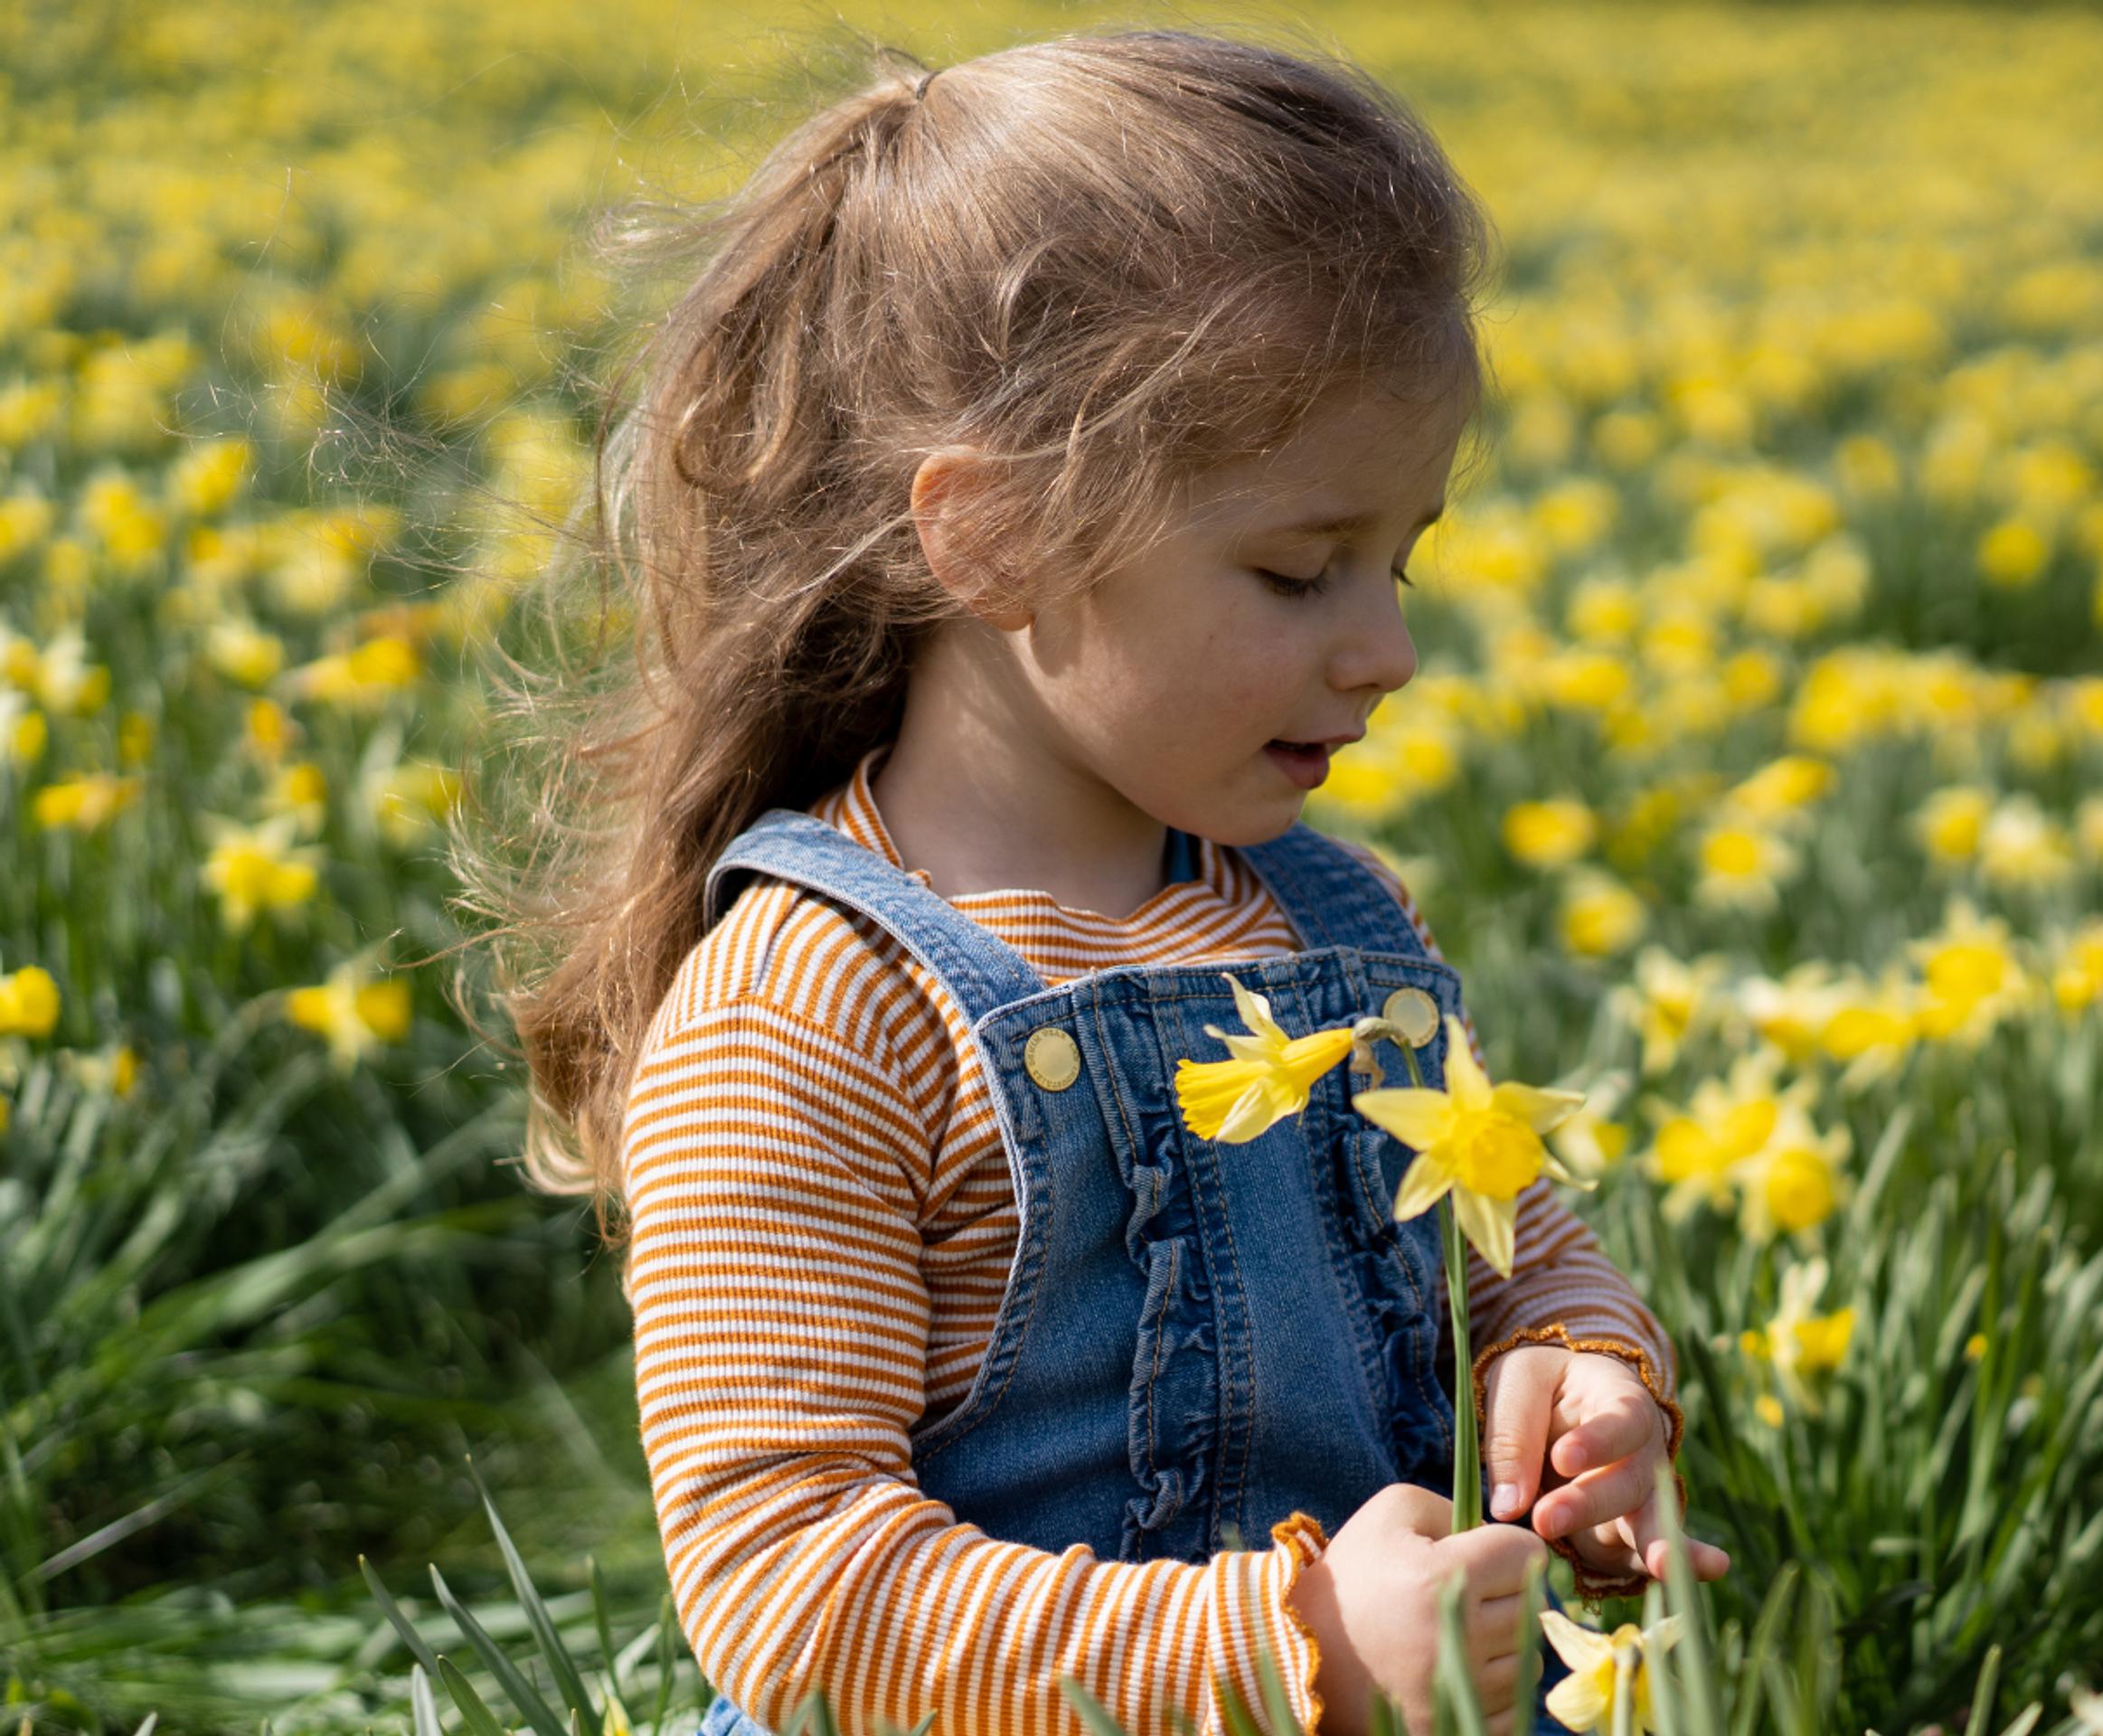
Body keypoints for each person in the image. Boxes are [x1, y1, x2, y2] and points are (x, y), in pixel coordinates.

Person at [463, 28, 1725, 1736]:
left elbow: (1515, 1260)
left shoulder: (1339, 928)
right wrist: (1287, 1659)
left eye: (1400, 559)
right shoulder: (806, 1011)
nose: (1392, 650)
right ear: (993, 539)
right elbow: (790, 1587)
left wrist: (1576, 1379)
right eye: (1299, 571)